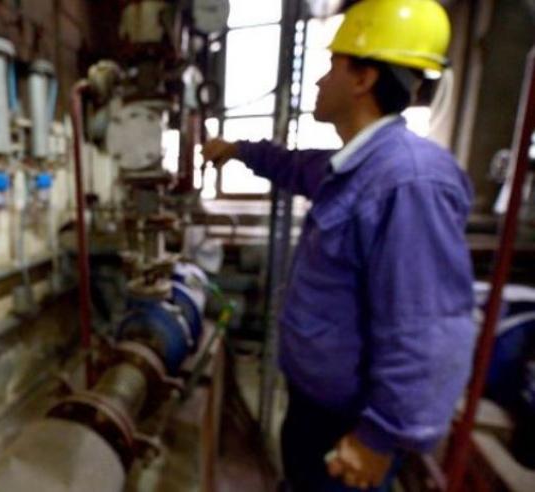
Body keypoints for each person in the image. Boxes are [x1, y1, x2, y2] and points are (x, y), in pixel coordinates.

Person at [202, 1, 476, 491]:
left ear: (363, 79)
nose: (318, 80)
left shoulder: (408, 181)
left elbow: (428, 327)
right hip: (314, 408)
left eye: (332, 65)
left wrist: (380, 437)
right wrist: (238, 150)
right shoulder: (356, 167)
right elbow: (293, 165)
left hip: (351, 426)